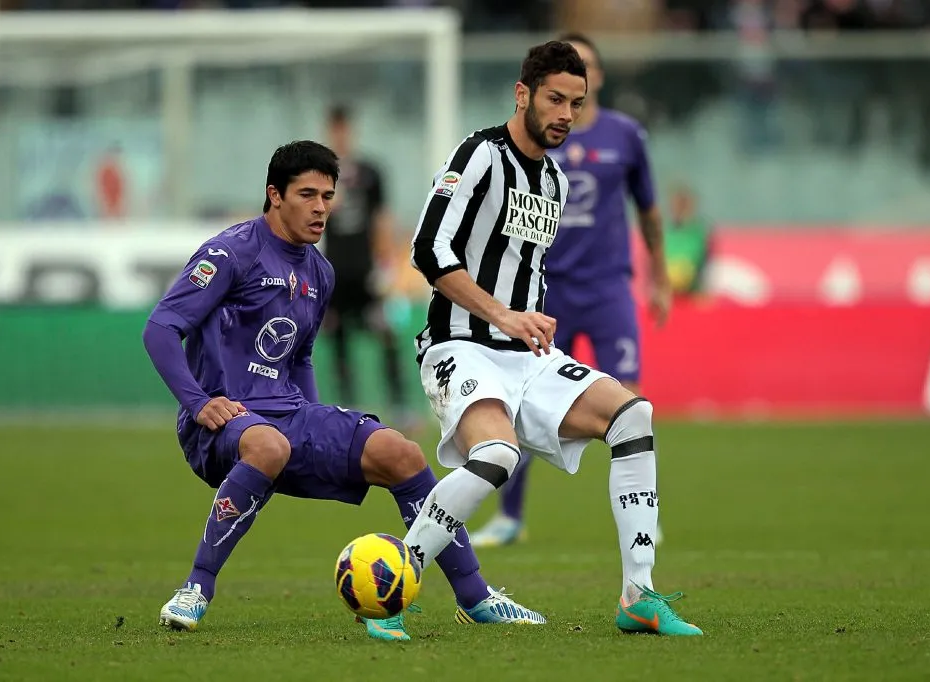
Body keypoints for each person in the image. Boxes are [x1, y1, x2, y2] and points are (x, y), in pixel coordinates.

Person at [142, 141, 544, 643]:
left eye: (327, 196)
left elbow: (302, 357)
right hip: (223, 420)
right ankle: (195, 588)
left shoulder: (319, 272)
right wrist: (199, 403)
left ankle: (476, 596)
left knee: (402, 453)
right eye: (306, 194)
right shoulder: (230, 253)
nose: (321, 208)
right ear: (274, 195)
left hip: (287, 415)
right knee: (268, 444)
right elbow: (160, 328)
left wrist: (313, 415)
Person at [401, 41, 701, 636]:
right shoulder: (479, 155)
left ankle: (637, 596)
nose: (567, 113)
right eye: (555, 100)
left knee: (633, 417)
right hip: (460, 345)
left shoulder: (555, 180)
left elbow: (525, 265)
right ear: (523, 95)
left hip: (526, 356)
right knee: (497, 455)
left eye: (577, 103)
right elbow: (427, 248)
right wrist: (504, 314)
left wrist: (530, 318)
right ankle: (395, 580)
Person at [470, 33, 672, 548]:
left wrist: (661, 278)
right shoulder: (529, 149)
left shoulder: (626, 135)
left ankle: (642, 517)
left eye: (587, 71)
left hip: (608, 287)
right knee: (521, 401)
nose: (566, 107)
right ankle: (509, 516)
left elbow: (648, 209)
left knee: (629, 403)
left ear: (597, 77)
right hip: (547, 290)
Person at [321, 106, 409, 421]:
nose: (340, 134)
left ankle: (399, 405)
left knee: (386, 333)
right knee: (338, 338)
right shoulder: (319, 174)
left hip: (366, 273)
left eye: (344, 128)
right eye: (335, 129)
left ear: (351, 131)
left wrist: (386, 267)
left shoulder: (371, 172)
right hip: (334, 274)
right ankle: (347, 408)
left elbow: (382, 221)